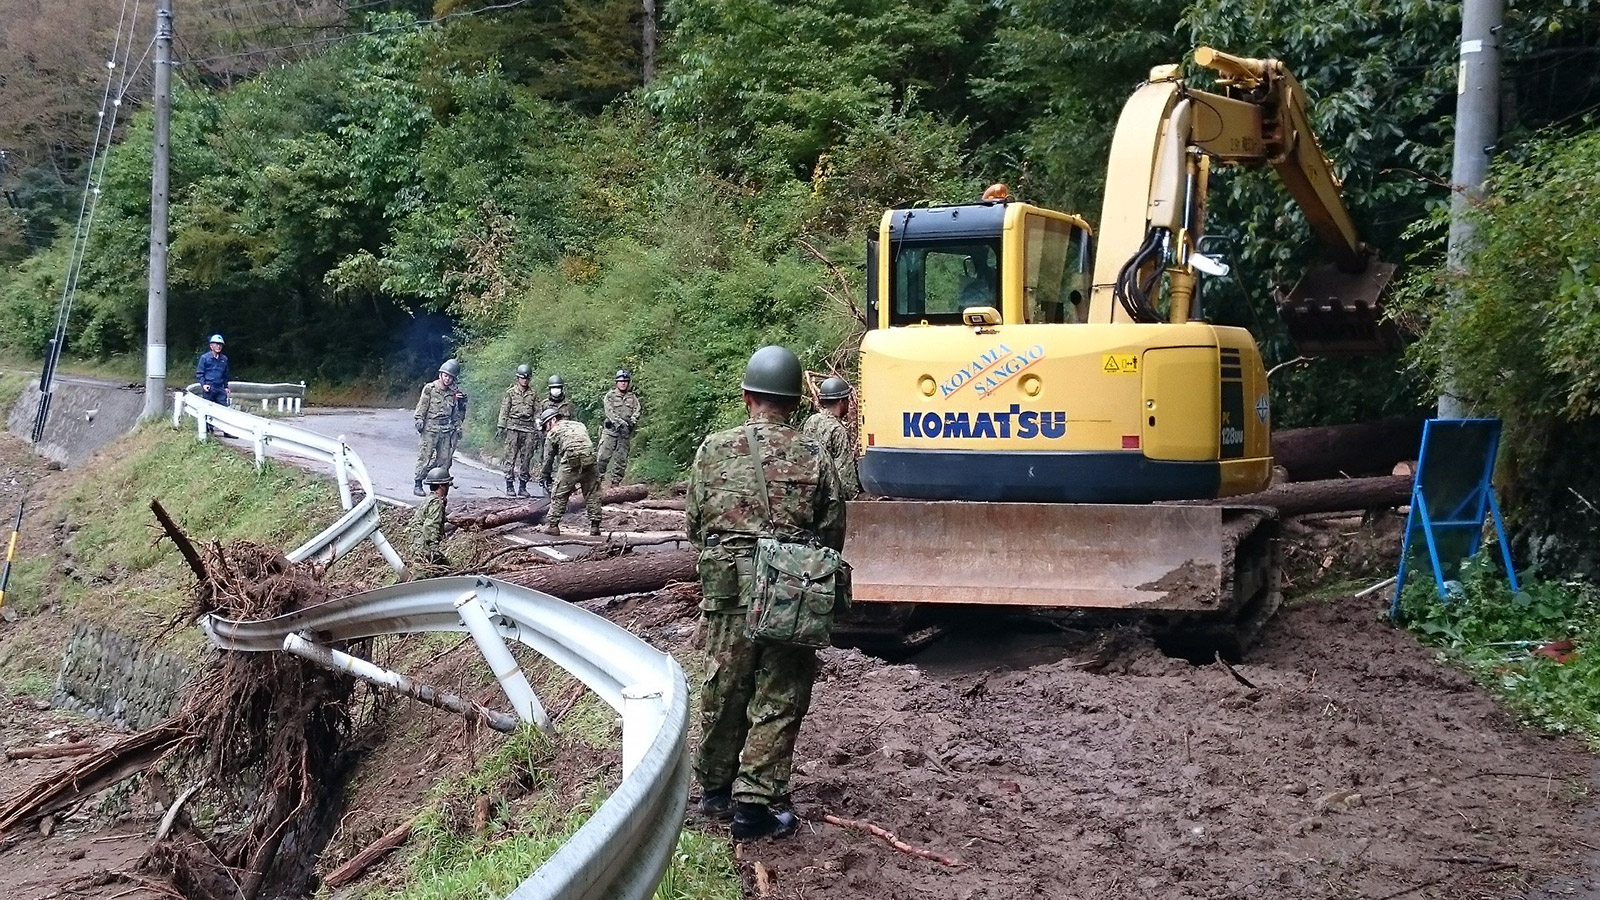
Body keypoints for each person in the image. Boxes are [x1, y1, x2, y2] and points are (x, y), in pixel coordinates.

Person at [687, 345, 846, 841]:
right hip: (789, 592)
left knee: (723, 686)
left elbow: (695, 525)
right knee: (779, 692)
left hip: (728, 590)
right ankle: (754, 808)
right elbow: (833, 529)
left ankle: (714, 790)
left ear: (746, 396)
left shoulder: (713, 448)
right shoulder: (815, 453)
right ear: (797, 401)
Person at [537, 407, 602, 536]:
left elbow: (548, 457)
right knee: (592, 492)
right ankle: (595, 526)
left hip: (571, 460)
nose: (546, 430)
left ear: (553, 420)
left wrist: (544, 475)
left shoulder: (553, 431)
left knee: (559, 492)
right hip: (590, 458)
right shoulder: (579, 425)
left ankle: (553, 525)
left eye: (546, 426)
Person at [802, 376, 862, 499]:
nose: (849, 404)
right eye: (847, 401)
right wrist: (854, 496)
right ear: (841, 402)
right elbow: (844, 470)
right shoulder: (837, 430)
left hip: (809, 491)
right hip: (829, 496)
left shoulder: (811, 421)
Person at [413, 359, 465, 497]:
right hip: (430, 428)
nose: (447, 379)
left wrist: (458, 427)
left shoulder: (453, 393)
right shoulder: (430, 389)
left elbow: (456, 414)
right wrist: (419, 419)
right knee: (425, 456)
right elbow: (422, 406)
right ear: (441, 375)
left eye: (450, 377)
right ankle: (418, 483)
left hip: (446, 429)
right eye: (446, 376)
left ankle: (438, 486)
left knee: (444, 459)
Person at [498, 363, 541, 498]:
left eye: (527, 378)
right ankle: (509, 485)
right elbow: (504, 409)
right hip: (513, 427)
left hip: (528, 428)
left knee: (526, 457)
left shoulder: (533, 394)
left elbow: (537, 411)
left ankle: (523, 486)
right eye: (522, 378)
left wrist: (538, 426)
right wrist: (501, 425)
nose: (525, 380)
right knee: (510, 456)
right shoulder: (510, 393)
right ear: (518, 378)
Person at [597, 369, 642, 488]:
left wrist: (632, 421)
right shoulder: (610, 396)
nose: (623, 383)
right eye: (621, 381)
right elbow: (609, 411)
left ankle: (615, 483)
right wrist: (619, 422)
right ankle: (597, 482)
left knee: (621, 460)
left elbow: (637, 410)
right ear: (616, 382)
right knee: (602, 457)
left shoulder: (632, 397)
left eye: (626, 381)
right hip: (610, 431)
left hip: (625, 433)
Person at [409, 465, 452, 572]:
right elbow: (430, 526)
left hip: (417, 545)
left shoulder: (429, 499)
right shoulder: (436, 503)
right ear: (442, 486)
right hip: (424, 548)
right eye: (447, 484)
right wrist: (434, 550)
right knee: (443, 570)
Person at [195, 334, 231, 406]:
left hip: (220, 388)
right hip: (209, 388)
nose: (219, 346)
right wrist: (204, 384)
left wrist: (226, 387)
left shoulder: (224, 359)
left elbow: (225, 375)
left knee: (223, 408)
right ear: (211, 346)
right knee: (208, 409)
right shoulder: (205, 358)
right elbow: (199, 373)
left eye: (220, 345)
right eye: (216, 344)